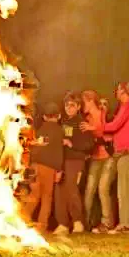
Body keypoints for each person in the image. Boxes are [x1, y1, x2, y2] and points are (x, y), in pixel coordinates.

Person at [102, 82, 129, 234]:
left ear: (124, 91)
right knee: (123, 189)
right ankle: (124, 223)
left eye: (119, 89)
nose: (116, 91)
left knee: (123, 189)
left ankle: (125, 224)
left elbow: (113, 125)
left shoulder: (128, 106)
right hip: (126, 152)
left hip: (128, 152)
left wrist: (100, 121)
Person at [54, 94, 94, 235]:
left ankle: (78, 222)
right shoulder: (62, 123)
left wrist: (72, 144)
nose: (69, 108)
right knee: (60, 191)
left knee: (72, 190)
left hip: (75, 161)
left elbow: (89, 144)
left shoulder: (82, 123)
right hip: (61, 161)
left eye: (72, 105)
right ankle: (63, 223)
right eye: (67, 105)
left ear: (78, 107)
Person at [22, 102, 64, 232]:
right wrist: (59, 169)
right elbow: (58, 152)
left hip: (35, 165)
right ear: (59, 116)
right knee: (47, 197)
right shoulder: (59, 131)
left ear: (45, 117)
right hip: (49, 167)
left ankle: (22, 219)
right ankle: (42, 225)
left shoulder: (39, 130)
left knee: (34, 194)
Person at [81, 90, 114, 233]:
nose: (83, 105)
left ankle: (107, 222)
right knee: (89, 190)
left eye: (84, 102)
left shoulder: (103, 113)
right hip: (95, 157)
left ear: (90, 101)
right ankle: (84, 222)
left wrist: (92, 128)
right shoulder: (86, 118)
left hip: (107, 156)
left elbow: (109, 131)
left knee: (103, 188)